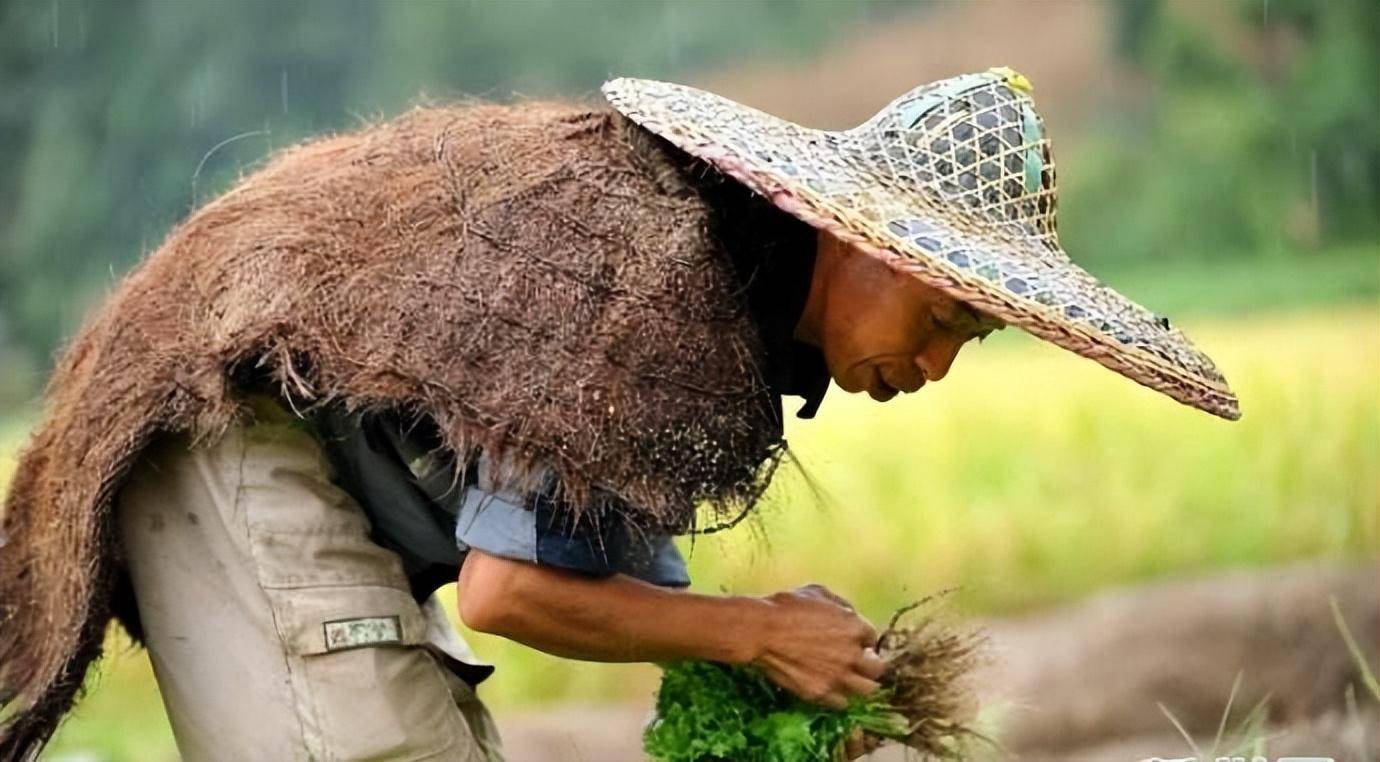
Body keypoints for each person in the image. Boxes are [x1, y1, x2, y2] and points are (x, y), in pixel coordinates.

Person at [0, 69, 1237, 761]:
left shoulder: (719, 299)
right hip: (224, 428)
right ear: (858, 239)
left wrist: (758, 645)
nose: (938, 363)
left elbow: (578, 542)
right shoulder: (650, 286)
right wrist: (754, 635)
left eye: (975, 338)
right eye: (946, 317)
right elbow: (507, 594)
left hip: (272, 436)